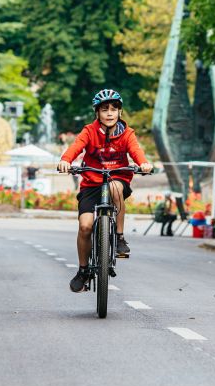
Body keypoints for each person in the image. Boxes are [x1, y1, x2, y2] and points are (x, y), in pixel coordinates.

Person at [57, 89, 153, 293]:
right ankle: (83, 270)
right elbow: (76, 146)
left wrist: (143, 163)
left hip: (117, 178)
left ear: (120, 112)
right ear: (97, 113)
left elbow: (136, 151)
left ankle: (118, 237)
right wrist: (66, 160)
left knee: (115, 186)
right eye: (104, 109)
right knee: (85, 226)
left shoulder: (127, 133)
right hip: (91, 183)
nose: (109, 113)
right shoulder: (89, 131)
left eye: (114, 109)